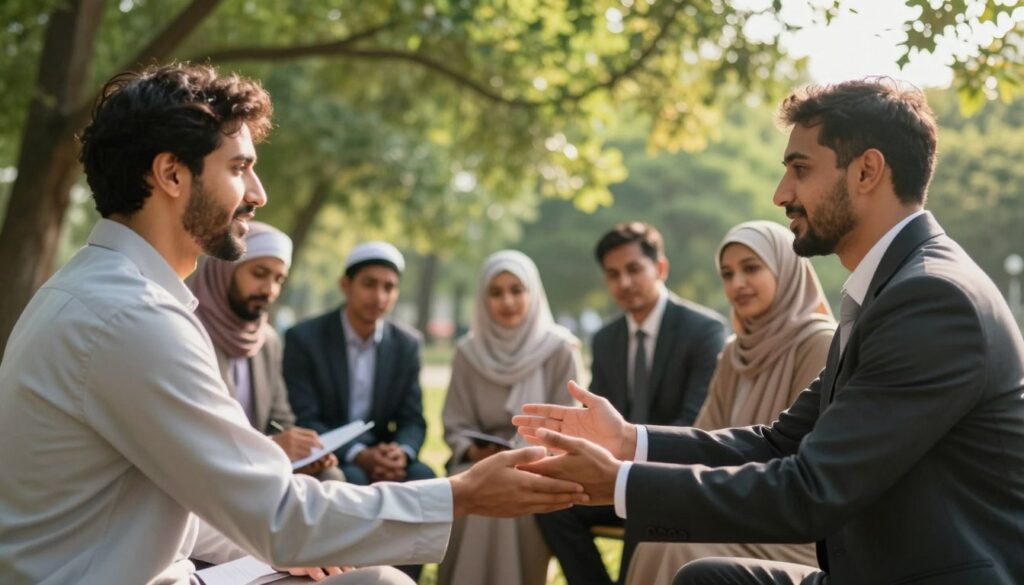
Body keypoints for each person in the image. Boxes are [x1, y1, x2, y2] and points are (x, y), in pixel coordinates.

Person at [0, 63, 588, 585]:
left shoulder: (102, 294)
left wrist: (286, 552)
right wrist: (463, 494)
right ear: (171, 175)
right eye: (240, 168)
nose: (258, 193)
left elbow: (177, 504)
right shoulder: (130, 317)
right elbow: (278, 515)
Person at [515, 78, 1024, 585]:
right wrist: (629, 441)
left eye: (800, 170)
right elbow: (780, 443)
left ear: (867, 171)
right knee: (705, 579)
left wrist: (621, 483)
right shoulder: (891, 289)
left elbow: (810, 489)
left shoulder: (931, 299)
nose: (782, 194)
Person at [626, 220, 836, 584]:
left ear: (787, 270)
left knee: (676, 549)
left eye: (751, 268)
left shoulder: (820, 343)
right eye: (727, 273)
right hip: (732, 509)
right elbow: (705, 439)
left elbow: (809, 460)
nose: (737, 283)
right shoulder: (734, 352)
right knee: (656, 540)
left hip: (794, 526)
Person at [536, 221, 728, 585]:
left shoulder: (704, 331)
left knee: (642, 507)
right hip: (615, 472)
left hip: (674, 477)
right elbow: (595, 419)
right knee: (552, 501)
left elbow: (696, 420)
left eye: (634, 269)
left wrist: (628, 465)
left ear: (661, 268)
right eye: (613, 274)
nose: (623, 282)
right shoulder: (607, 339)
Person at [436, 250, 584, 585]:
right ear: (483, 299)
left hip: (541, 464)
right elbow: (456, 422)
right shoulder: (468, 352)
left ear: (533, 293)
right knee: (470, 486)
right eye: (496, 292)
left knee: (512, 488)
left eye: (517, 290)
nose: (508, 301)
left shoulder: (560, 348)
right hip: (475, 463)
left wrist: (524, 453)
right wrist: (472, 450)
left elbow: (570, 422)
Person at [188, 221, 342, 481]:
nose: (269, 290)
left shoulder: (266, 340)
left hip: (263, 468)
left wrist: (306, 453)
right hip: (207, 474)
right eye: (259, 273)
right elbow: (196, 432)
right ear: (225, 269)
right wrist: (273, 446)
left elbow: (280, 418)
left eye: (278, 279)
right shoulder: (189, 331)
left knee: (330, 476)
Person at [283, 242, 435, 489]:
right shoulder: (305, 339)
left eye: (389, 287)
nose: (379, 297)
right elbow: (305, 416)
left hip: (385, 452)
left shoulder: (407, 344)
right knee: (352, 480)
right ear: (345, 285)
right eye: (369, 284)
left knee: (424, 478)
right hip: (331, 453)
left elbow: (413, 419)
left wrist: (401, 453)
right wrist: (358, 453)